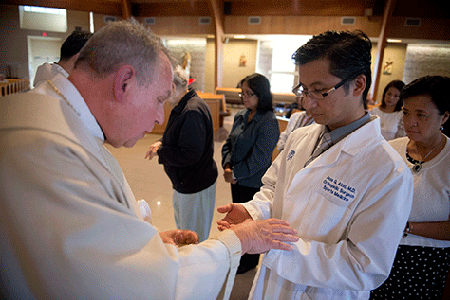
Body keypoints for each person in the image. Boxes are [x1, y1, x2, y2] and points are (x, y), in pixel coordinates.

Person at [0, 20, 300, 300]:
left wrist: (146, 244)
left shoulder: (57, 119)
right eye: (159, 99)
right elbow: (139, 285)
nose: (160, 116)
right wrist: (239, 242)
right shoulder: (51, 148)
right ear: (125, 82)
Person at [217, 30, 414, 299]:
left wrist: (271, 245)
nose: (307, 102)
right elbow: (275, 191)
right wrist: (253, 213)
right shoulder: (301, 137)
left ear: (357, 85)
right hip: (272, 285)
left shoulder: (388, 172)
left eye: (320, 91)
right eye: (304, 90)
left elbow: (364, 266)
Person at [370, 75, 450, 299]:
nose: (410, 122)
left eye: (421, 115)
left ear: (444, 116)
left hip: (425, 260)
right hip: (381, 249)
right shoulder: (390, 150)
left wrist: (406, 227)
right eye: (405, 113)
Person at [144, 68, 218, 242]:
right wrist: (162, 142)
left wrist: (160, 152)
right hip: (184, 183)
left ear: (172, 86)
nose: (161, 97)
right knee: (184, 228)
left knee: (193, 236)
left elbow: (190, 154)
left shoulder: (192, 110)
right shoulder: (184, 105)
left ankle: (196, 267)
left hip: (195, 185)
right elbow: (178, 134)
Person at [221, 73, 280, 273]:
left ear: (261, 95)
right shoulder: (242, 116)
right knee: (238, 218)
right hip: (235, 178)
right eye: (242, 93)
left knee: (251, 221)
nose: (244, 97)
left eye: (249, 93)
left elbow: (261, 158)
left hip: (252, 181)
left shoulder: (269, 121)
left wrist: (236, 173)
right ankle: (240, 251)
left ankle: (249, 261)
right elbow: (229, 143)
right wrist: (228, 166)